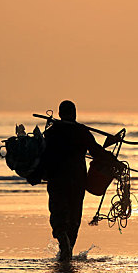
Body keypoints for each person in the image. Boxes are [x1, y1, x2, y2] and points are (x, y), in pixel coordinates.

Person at [44, 100, 108, 261]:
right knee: (74, 216)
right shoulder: (82, 131)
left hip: (57, 178)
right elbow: (97, 152)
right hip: (77, 180)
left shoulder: (52, 132)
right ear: (75, 114)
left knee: (57, 213)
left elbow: (43, 155)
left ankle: (63, 241)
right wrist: (113, 159)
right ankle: (68, 249)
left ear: (59, 114)